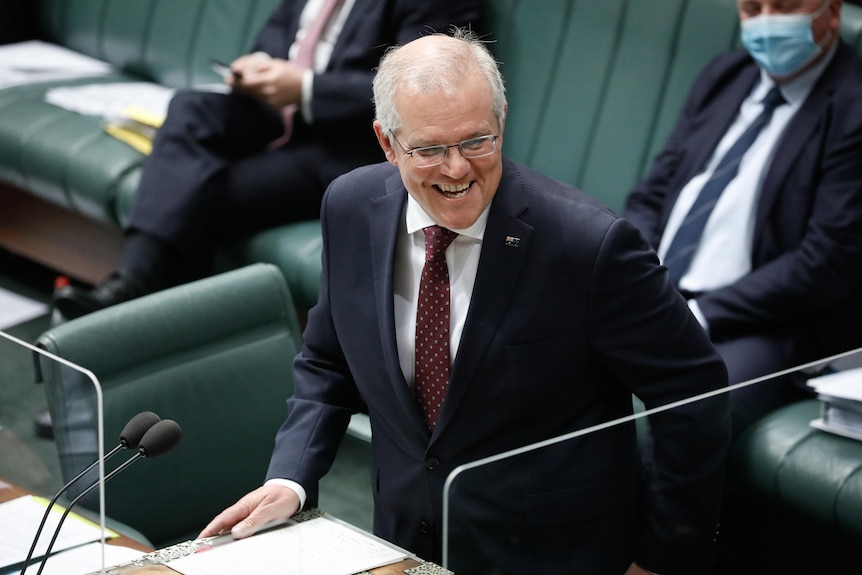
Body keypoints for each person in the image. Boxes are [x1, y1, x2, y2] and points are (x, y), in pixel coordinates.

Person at [199, 29, 730, 575]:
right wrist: (290, 477)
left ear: (501, 124)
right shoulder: (350, 206)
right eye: (429, 149)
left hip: (555, 556)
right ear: (387, 142)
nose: (457, 169)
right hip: (405, 542)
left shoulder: (589, 245)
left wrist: (664, 559)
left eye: (477, 141)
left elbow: (694, 394)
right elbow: (328, 361)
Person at [53, 0, 481, 319]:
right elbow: (279, 34)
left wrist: (308, 89)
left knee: (199, 192)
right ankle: (131, 292)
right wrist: (256, 66)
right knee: (190, 109)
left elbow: (420, 90)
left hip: (344, 143)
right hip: (272, 113)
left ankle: (128, 306)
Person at [623, 0, 862, 437]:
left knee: (683, 414)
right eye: (753, 8)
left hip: (768, 323)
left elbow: (826, 260)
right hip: (661, 290)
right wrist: (637, 274)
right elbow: (652, 194)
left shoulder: (853, 106)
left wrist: (696, 313)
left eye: (785, 6)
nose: (767, 21)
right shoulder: (726, 76)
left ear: (830, 13)